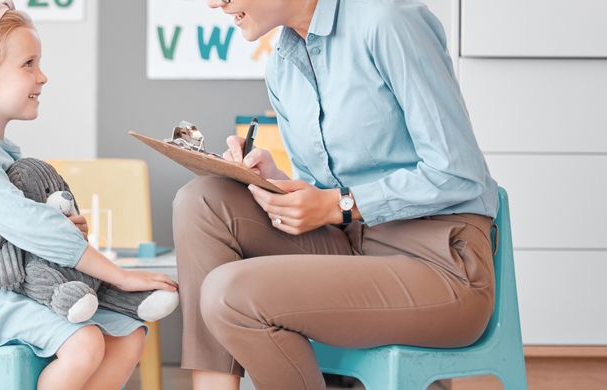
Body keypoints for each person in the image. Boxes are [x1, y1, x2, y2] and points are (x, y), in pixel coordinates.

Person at [175, 0, 498, 388]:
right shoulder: (283, 64)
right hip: (351, 248)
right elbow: (324, 191)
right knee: (203, 200)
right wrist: (276, 184)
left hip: (440, 266)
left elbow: (458, 173)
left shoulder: (387, 21)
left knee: (229, 293)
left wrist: (340, 204)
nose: (214, 2)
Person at [0, 2, 177, 389]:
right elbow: (30, 225)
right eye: (28, 64)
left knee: (128, 334)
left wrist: (64, 229)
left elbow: (20, 230)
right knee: (84, 342)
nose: (42, 77)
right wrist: (120, 276)